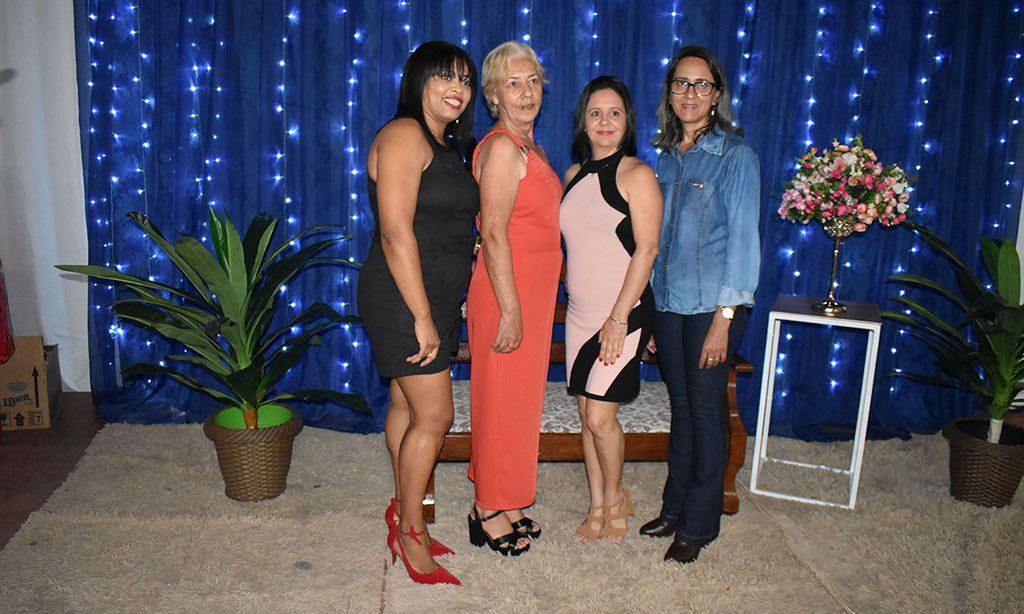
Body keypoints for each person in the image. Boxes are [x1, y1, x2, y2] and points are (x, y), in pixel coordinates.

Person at [356, 40, 479, 585]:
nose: (458, 88)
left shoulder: (446, 145)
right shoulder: (404, 134)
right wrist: (423, 317)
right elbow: (394, 232)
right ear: (418, 82)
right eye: (445, 76)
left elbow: (444, 224)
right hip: (404, 299)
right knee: (436, 417)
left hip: (435, 299)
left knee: (407, 408)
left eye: (465, 80)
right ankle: (411, 531)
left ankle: (403, 512)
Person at [638, 45, 760, 565]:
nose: (690, 93)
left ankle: (699, 524)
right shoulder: (665, 157)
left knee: (708, 415)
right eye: (681, 83)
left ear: (717, 94)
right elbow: (654, 242)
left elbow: (744, 246)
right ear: (670, 92)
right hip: (669, 305)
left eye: (701, 84)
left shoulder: (736, 156)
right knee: (682, 410)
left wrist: (724, 321)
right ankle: (674, 507)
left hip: (714, 308)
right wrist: (649, 312)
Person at [465, 41, 562, 556]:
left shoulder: (533, 149)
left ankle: (507, 497)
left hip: (533, 294)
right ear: (493, 95)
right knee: (500, 400)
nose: (526, 93)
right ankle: (486, 509)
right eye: (513, 83)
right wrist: (511, 308)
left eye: (533, 81)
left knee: (518, 403)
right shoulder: (502, 147)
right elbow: (493, 233)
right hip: (508, 292)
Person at [560, 76, 661, 543]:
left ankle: (616, 497)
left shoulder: (638, 175)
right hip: (579, 315)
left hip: (622, 314)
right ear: (584, 120)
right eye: (595, 113)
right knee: (587, 416)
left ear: (628, 121)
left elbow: (647, 250)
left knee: (601, 418)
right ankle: (597, 504)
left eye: (614, 113)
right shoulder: (572, 176)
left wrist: (619, 318)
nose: (604, 122)